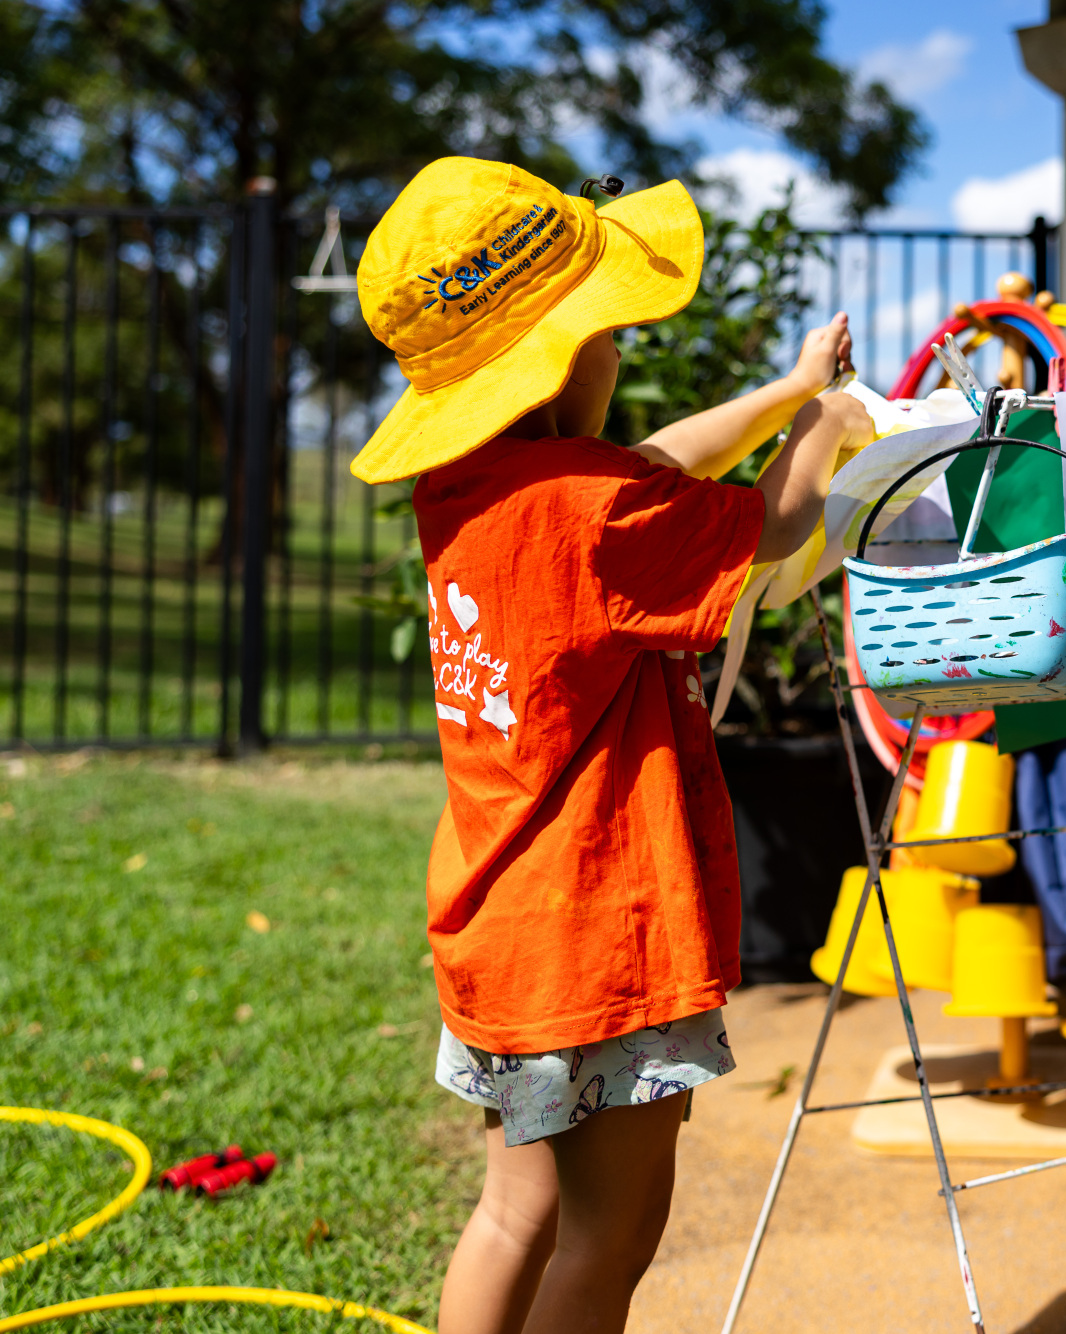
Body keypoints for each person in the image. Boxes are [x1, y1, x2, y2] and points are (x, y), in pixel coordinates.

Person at [348, 157, 872, 1334]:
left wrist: (784, 394)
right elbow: (775, 523)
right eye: (610, 333)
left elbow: (655, 461)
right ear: (567, 355)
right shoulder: (596, 517)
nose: (620, 353)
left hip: (500, 936)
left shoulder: (470, 489)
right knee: (612, 1230)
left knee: (512, 1215)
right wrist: (833, 423)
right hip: (603, 941)